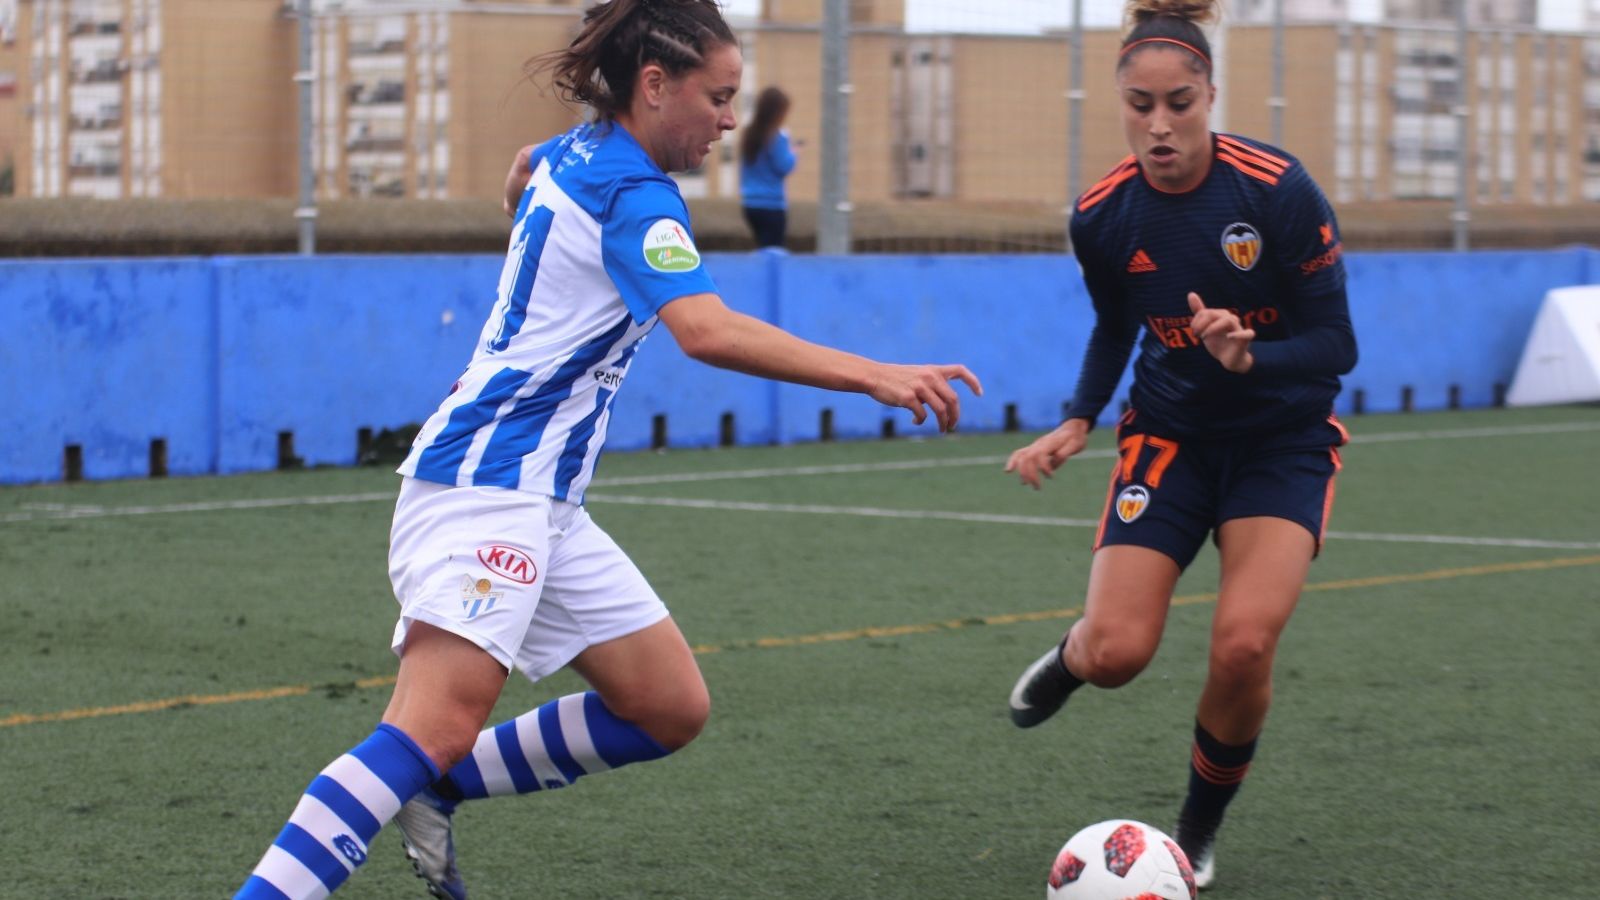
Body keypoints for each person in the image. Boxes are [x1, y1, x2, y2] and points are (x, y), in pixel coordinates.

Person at [233, 2, 980, 898]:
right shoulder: (635, 194)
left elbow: (526, 170)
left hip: (543, 500)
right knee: (431, 725)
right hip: (488, 484)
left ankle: (439, 789)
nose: (729, 121)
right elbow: (705, 331)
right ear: (655, 85)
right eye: (719, 97)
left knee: (667, 706)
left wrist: (518, 187)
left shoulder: (578, 150)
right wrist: (876, 375)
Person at [1002, 0, 1357, 890]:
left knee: (1243, 646)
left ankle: (1195, 832)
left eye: (1179, 103)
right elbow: (1114, 323)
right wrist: (1080, 417)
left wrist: (1251, 355)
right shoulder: (1102, 215)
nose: (1159, 124)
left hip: (1282, 442)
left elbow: (1337, 345)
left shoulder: (1276, 189)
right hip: (1168, 439)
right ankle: (1075, 656)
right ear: (1120, 104)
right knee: (1116, 655)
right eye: (1140, 105)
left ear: (1210, 97)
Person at [738, 86, 797, 248]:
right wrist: (793, 152)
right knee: (774, 249)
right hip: (771, 203)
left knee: (762, 247)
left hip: (750, 203)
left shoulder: (748, 133)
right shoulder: (778, 136)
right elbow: (784, 166)